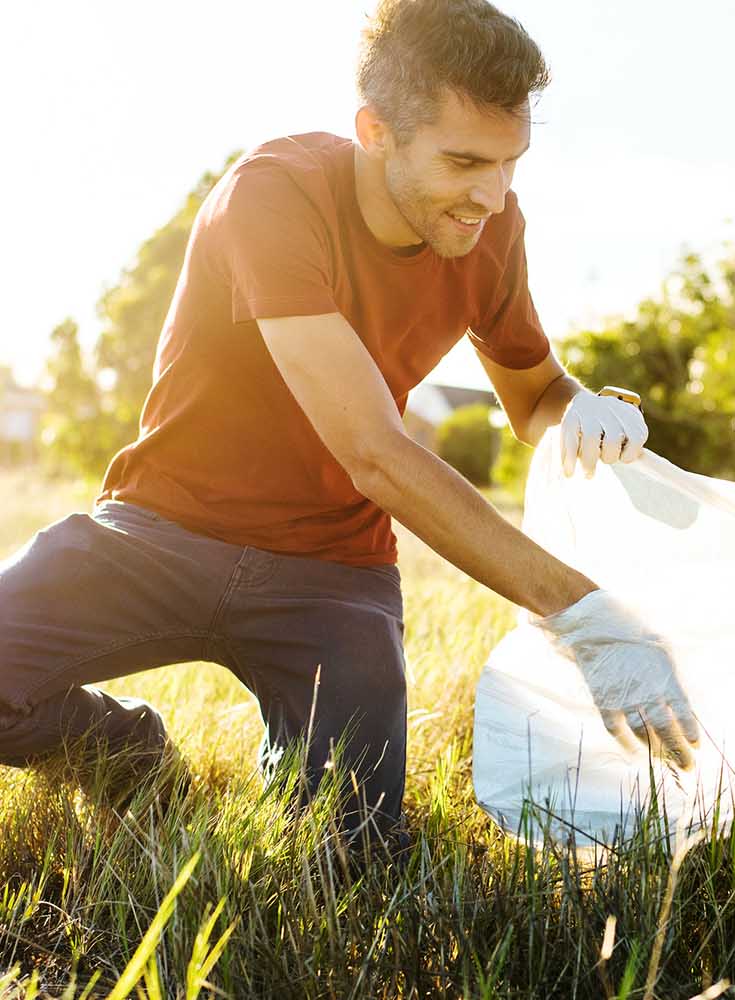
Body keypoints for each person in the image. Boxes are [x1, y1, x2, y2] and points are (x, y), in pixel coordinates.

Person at [0, 0, 697, 852]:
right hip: (160, 532)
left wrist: (582, 405)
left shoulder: (491, 227)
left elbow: (533, 397)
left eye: (512, 163)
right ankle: (124, 753)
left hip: (333, 572)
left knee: (352, 847)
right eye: (465, 161)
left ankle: (305, 785)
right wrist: (580, 611)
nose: (494, 195)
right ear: (375, 130)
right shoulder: (273, 193)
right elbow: (375, 453)